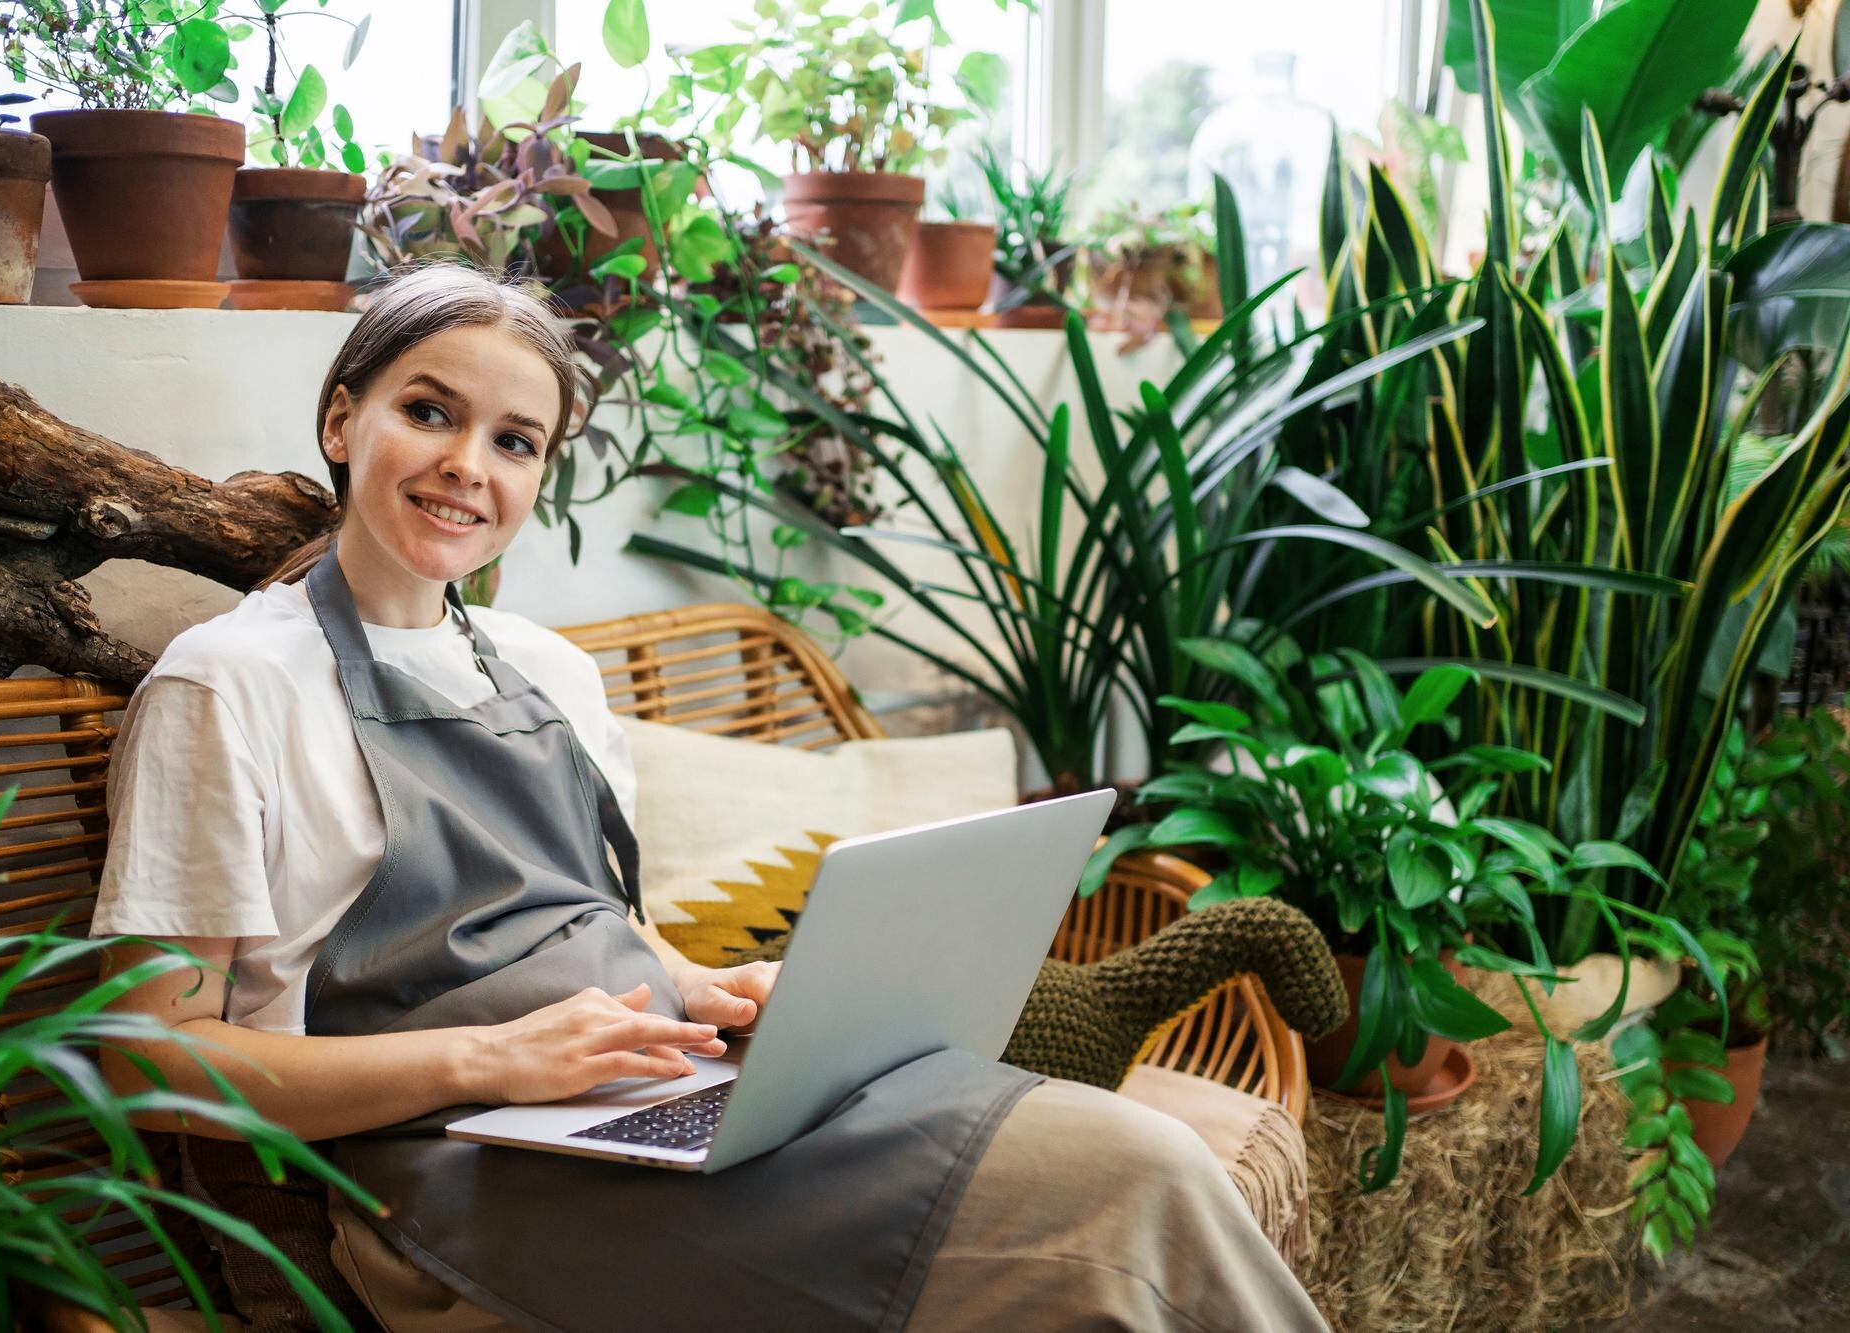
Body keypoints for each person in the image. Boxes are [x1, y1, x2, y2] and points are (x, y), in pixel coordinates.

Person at [92, 261, 1328, 1332]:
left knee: (1135, 1170)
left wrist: (697, 987)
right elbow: (158, 1053)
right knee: (1116, 1205)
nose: (469, 466)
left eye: (515, 441)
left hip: (642, 1100)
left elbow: (589, 928)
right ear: (341, 418)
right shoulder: (228, 686)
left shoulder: (547, 671)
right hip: (445, 1177)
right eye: (430, 412)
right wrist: (494, 1056)